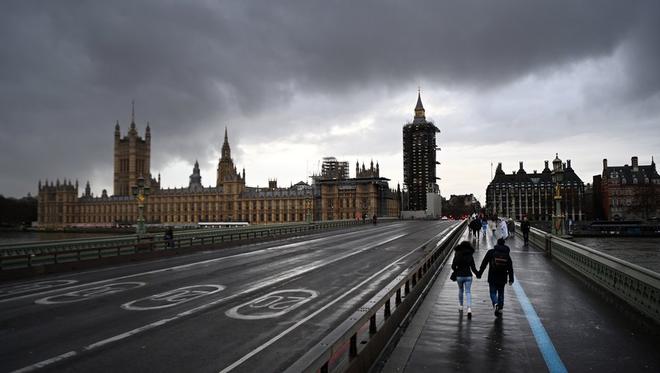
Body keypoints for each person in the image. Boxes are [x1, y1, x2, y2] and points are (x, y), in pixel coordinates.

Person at [478, 238, 514, 317]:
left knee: (492, 292)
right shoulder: (507, 254)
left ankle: (495, 303)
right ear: (504, 244)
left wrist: (479, 273)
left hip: (492, 276)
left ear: (497, 243)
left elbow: (484, 263)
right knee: (501, 292)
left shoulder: (491, 252)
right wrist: (511, 279)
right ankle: (500, 309)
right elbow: (510, 267)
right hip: (503, 276)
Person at [451, 241, 479, 319]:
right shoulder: (470, 255)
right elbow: (473, 268)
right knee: (468, 292)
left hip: (459, 276)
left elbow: (453, 266)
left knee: (460, 290)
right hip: (468, 276)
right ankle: (469, 308)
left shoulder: (457, 254)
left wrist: (456, 270)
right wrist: (478, 274)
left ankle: (461, 306)